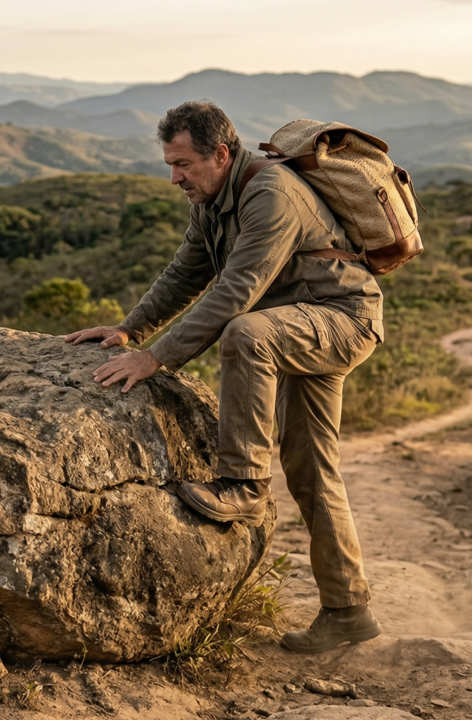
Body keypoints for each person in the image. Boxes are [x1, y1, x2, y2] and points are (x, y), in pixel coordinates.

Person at [64, 101, 385, 654]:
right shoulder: (212, 199)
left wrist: (155, 358)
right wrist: (130, 329)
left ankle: (244, 485)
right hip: (299, 322)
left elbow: (237, 291)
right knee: (310, 466)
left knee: (245, 333)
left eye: (182, 164)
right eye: (170, 164)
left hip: (342, 320)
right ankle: (348, 610)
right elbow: (186, 271)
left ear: (220, 153)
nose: (175, 178)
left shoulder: (271, 194)